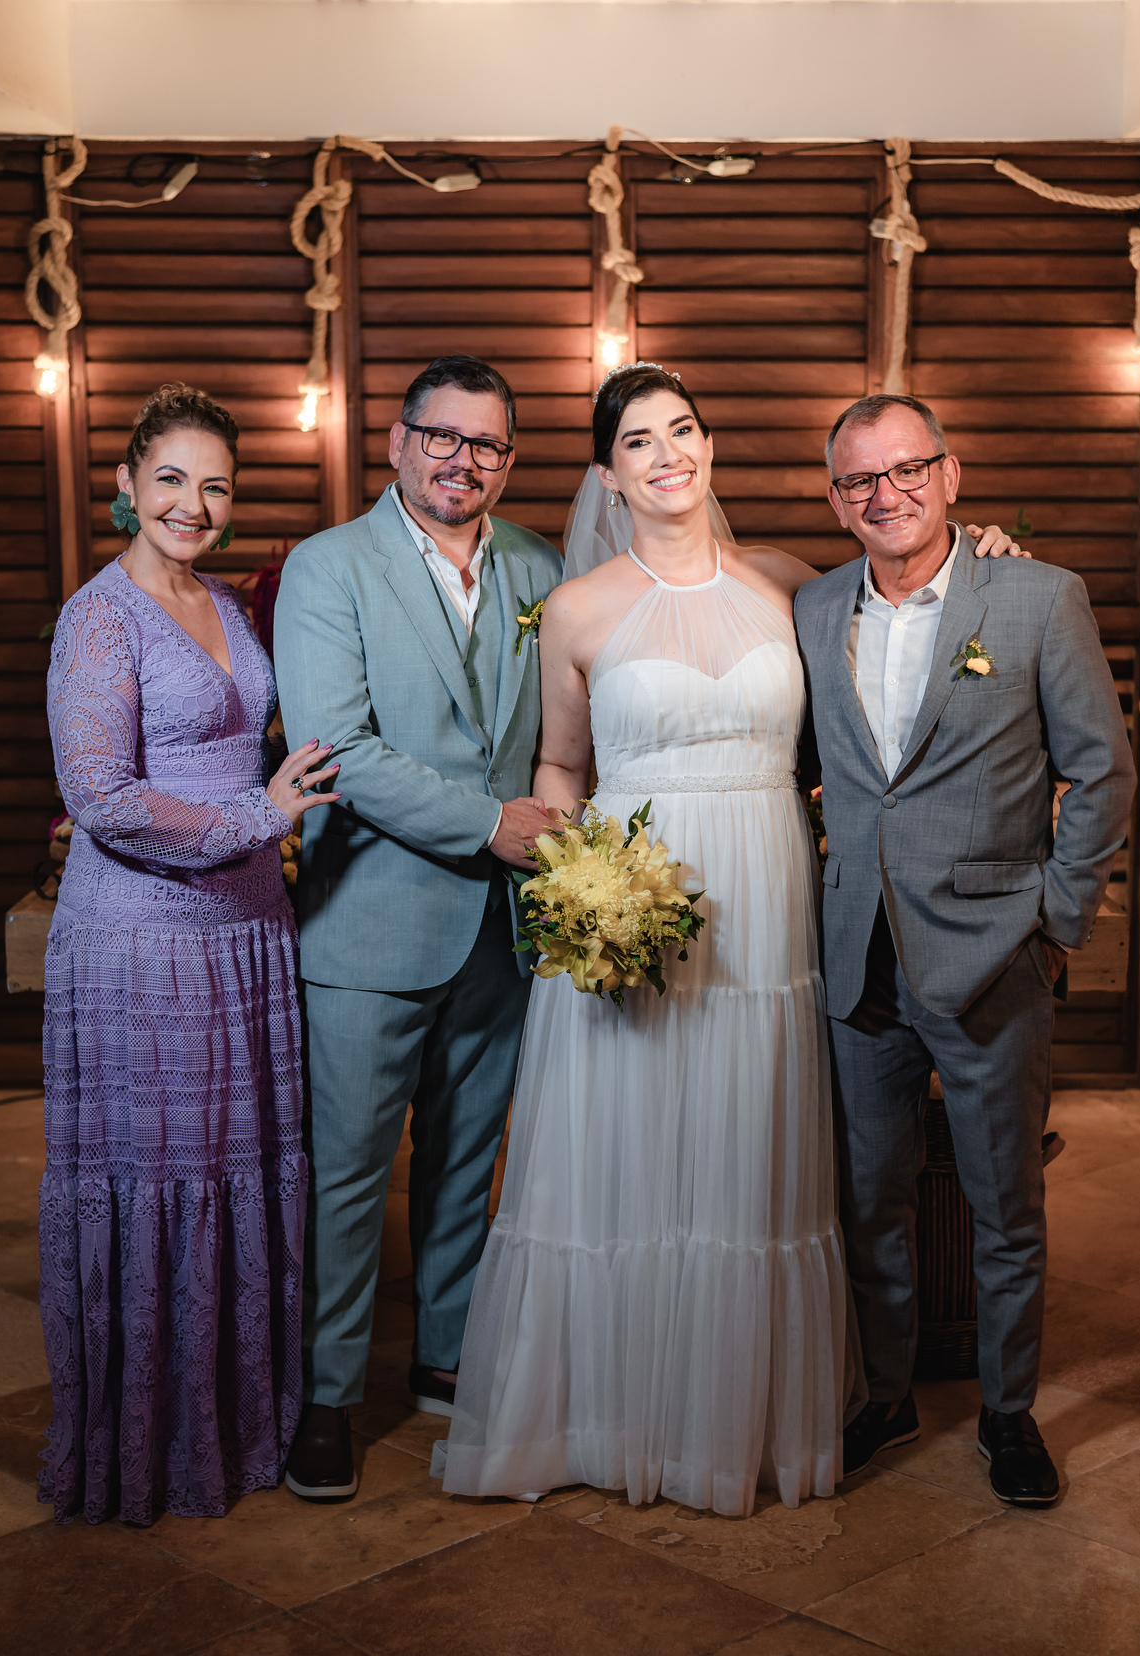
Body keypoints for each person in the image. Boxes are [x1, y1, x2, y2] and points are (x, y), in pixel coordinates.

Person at [439, 363, 1027, 1516]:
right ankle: (611, 1416)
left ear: (710, 448)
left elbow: (914, 608)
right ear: (608, 474)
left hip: (766, 904)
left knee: (749, 1159)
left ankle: (731, 1419)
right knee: (627, 1156)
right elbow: (560, 765)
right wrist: (579, 890)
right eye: (638, 441)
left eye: (684, 430)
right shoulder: (580, 608)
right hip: (633, 902)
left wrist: (988, 555)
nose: (667, 454)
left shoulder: (793, 585)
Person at [796, 393, 1136, 1507]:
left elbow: (1102, 772)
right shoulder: (811, 608)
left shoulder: (1036, 596)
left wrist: (1057, 920)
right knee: (869, 1199)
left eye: (907, 469)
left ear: (950, 474)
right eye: (859, 479)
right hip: (859, 954)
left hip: (996, 951)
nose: (885, 494)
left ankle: (1008, 1411)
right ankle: (886, 1394)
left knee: (1004, 1203)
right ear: (835, 499)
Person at [40, 382, 339, 1525]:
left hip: (249, 933)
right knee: (160, 1176)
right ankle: (149, 1446)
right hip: (144, 943)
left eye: (215, 485)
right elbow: (101, 795)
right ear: (126, 483)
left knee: (239, 1169)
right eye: (170, 478)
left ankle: (238, 1424)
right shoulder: (98, 616)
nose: (193, 504)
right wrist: (261, 815)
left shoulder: (225, 600)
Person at [273, 355, 562, 1502]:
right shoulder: (328, 565)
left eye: (486, 443)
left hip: (504, 928)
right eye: (441, 436)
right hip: (369, 923)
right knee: (347, 1172)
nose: (462, 460)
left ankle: (447, 1351)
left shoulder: (541, 563)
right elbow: (336, 748)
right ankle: (328, 1392)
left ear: (508, 460)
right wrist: (493, 824)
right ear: (397, 443)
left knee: (465, 1159)